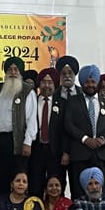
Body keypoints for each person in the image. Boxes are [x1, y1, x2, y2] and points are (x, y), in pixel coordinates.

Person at [64, 65, 105, 191]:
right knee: (79, 192)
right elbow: (68, 123)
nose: (90, 85)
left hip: (102, 154)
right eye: (87, 82)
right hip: (80, 154)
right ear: (82, 83)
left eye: (93, 81)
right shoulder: (72, 100)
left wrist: (103, 139)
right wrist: (85, 139)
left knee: (102, 192)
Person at [0, 56, 38, 197]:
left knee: (18, 178)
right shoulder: (0, 89)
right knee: (0, 178)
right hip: (1, 141)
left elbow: (31, 119)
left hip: (18, 141)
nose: (13, 72)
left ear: (20, 72)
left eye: (16, 69)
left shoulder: (27, 91)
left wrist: (28, 142)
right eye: (10, 70)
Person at [28, 67, 62, 197]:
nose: (46, 85)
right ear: (39, 84)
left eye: (50, 82)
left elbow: (65, 129)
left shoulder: (62, 103)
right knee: (35, 185)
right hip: (36, 150)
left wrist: (65, 151)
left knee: (56, 186)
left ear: (55, 84)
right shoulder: (32, 101)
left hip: (55, 152)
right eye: (43, 82)